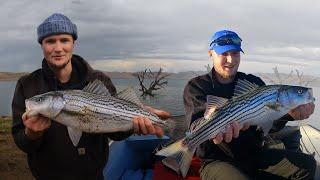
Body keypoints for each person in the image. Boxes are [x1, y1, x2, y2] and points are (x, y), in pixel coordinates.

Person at [11, 13, 169, 180]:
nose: (58, 48)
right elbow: (21, 141)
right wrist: (32, 134)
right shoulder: (26, 84)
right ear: (41, 45)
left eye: (64, 40)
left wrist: (135, 124)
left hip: (93, 175)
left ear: (73, 43)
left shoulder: (98, 79)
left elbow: (116, 135)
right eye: (50, 41)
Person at [183, 30, 316, 179]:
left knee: (307, 164)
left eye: (235, 53)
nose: (231, 60)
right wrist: (213, 130)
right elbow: (196, 124)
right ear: (211, 53)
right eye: (224, 54)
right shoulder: (196, 86)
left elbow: (267, 127)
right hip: (217, 161)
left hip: (254, 155)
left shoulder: (254, 83)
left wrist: (289, 115)